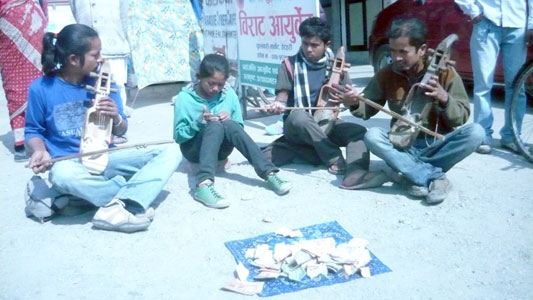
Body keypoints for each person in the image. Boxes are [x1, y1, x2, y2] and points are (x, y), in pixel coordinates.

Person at [25, 24, 181, 233]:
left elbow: (121, 130)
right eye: (95, 54)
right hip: (69, 163)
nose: (101, 59)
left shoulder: (106, 83)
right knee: (62, 176)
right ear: (73, 59)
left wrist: (115, 116)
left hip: (107, 157)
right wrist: (39, 150)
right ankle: (129, 199)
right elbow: (33, 131)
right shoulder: (41, 88)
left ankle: (92, 198)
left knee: (172, 150)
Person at [335, 17, 484, 204]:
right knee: (373, 136)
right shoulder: (387, 73)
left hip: (436, 147)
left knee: (476, 133)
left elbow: (461, 118)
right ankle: (432, 178)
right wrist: (354, 102)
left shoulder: (444, 72)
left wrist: (444, 98)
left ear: (421, 50)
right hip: (402, 147)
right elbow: (367, 109)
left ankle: (409, 174)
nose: (396, 57)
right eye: (392, 51)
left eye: (403, 52)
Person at [264, 17, 383, 190]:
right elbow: (282, 96)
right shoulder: (289, 65)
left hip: (327, 122)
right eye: (305, 44)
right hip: (297, 127)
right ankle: (332, 155)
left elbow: (348, 98)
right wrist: (277, 104)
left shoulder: (337, 67)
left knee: (358, 132)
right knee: (298, 115)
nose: (308, 49)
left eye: (314, 45)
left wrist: (351, 97)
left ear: (326, 44)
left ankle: (355, 172)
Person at [173, 54, 292, 209]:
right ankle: (203, 185)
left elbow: (238, 130)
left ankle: (269, 173)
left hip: (221, 150)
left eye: (220, 85)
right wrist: (199, 123)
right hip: (194, 149)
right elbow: (179, 136)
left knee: (228, 123)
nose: (215, 88)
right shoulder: (185, 98)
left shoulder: (228, 93)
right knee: (214, 125)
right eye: (211, 83)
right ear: (199, 77)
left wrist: (230, 120)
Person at [455, 0, 533, 154]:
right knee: (483, 84)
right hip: (487, 24)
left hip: (517, 26)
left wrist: (531, 24)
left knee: (517, 86)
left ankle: (512, 137)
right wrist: (473, 10)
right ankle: (482, 135)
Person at [70, 0, 131, 143]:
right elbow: (75, 8)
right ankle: (93, 131)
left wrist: (122, 36)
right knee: (89, 94)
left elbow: (124, 13)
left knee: (116, 88)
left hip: (113, 42)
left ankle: (117, 128)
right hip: (85, 47)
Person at [0, 0, 48, 161]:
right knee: (14, 82)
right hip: (7, 24)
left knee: (40, 79)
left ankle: (40, 136)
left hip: (34, 21)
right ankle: (20, 139)